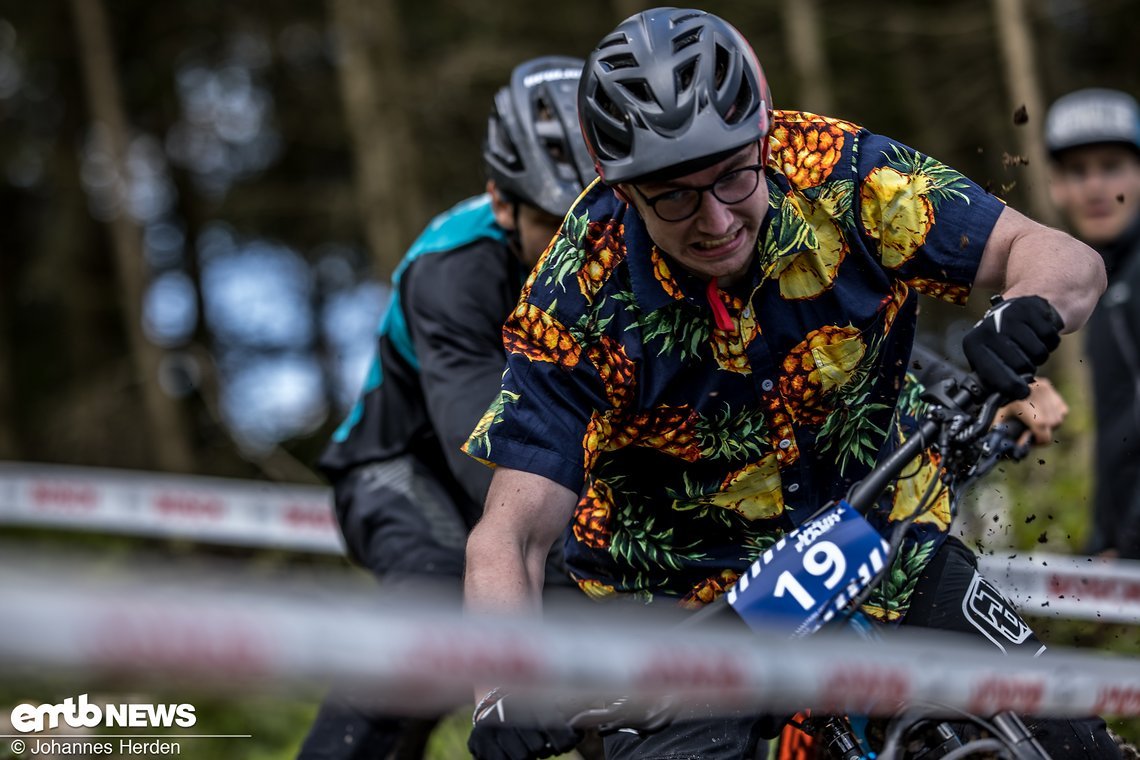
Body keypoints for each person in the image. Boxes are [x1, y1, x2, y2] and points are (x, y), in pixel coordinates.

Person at [462, 8, 1119, 759]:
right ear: (620, 186)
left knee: (1073, 744)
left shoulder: (844, 174)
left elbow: (1061, 256)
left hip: (873, 533)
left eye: (734, 176)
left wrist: (1022, 309)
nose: (714, 220)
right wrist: (501, 689)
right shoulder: (578, 290)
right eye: (673, 196)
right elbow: (509, 538)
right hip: (684, 608)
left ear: (765, 135)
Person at [296, 56, 595, 760]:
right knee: (434, 603)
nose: (583, 249)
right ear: (503, 202)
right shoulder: (452, 270)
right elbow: (485, 451)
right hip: (402, 462)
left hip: (524, 465)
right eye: (558, 225)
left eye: (598, 217)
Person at [1044, 88, 1140, 560]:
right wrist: (1106, 535)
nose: (1094, 187)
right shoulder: (1102, 278)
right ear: (1056, 187)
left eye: (1111, 166)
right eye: (1077, 171)